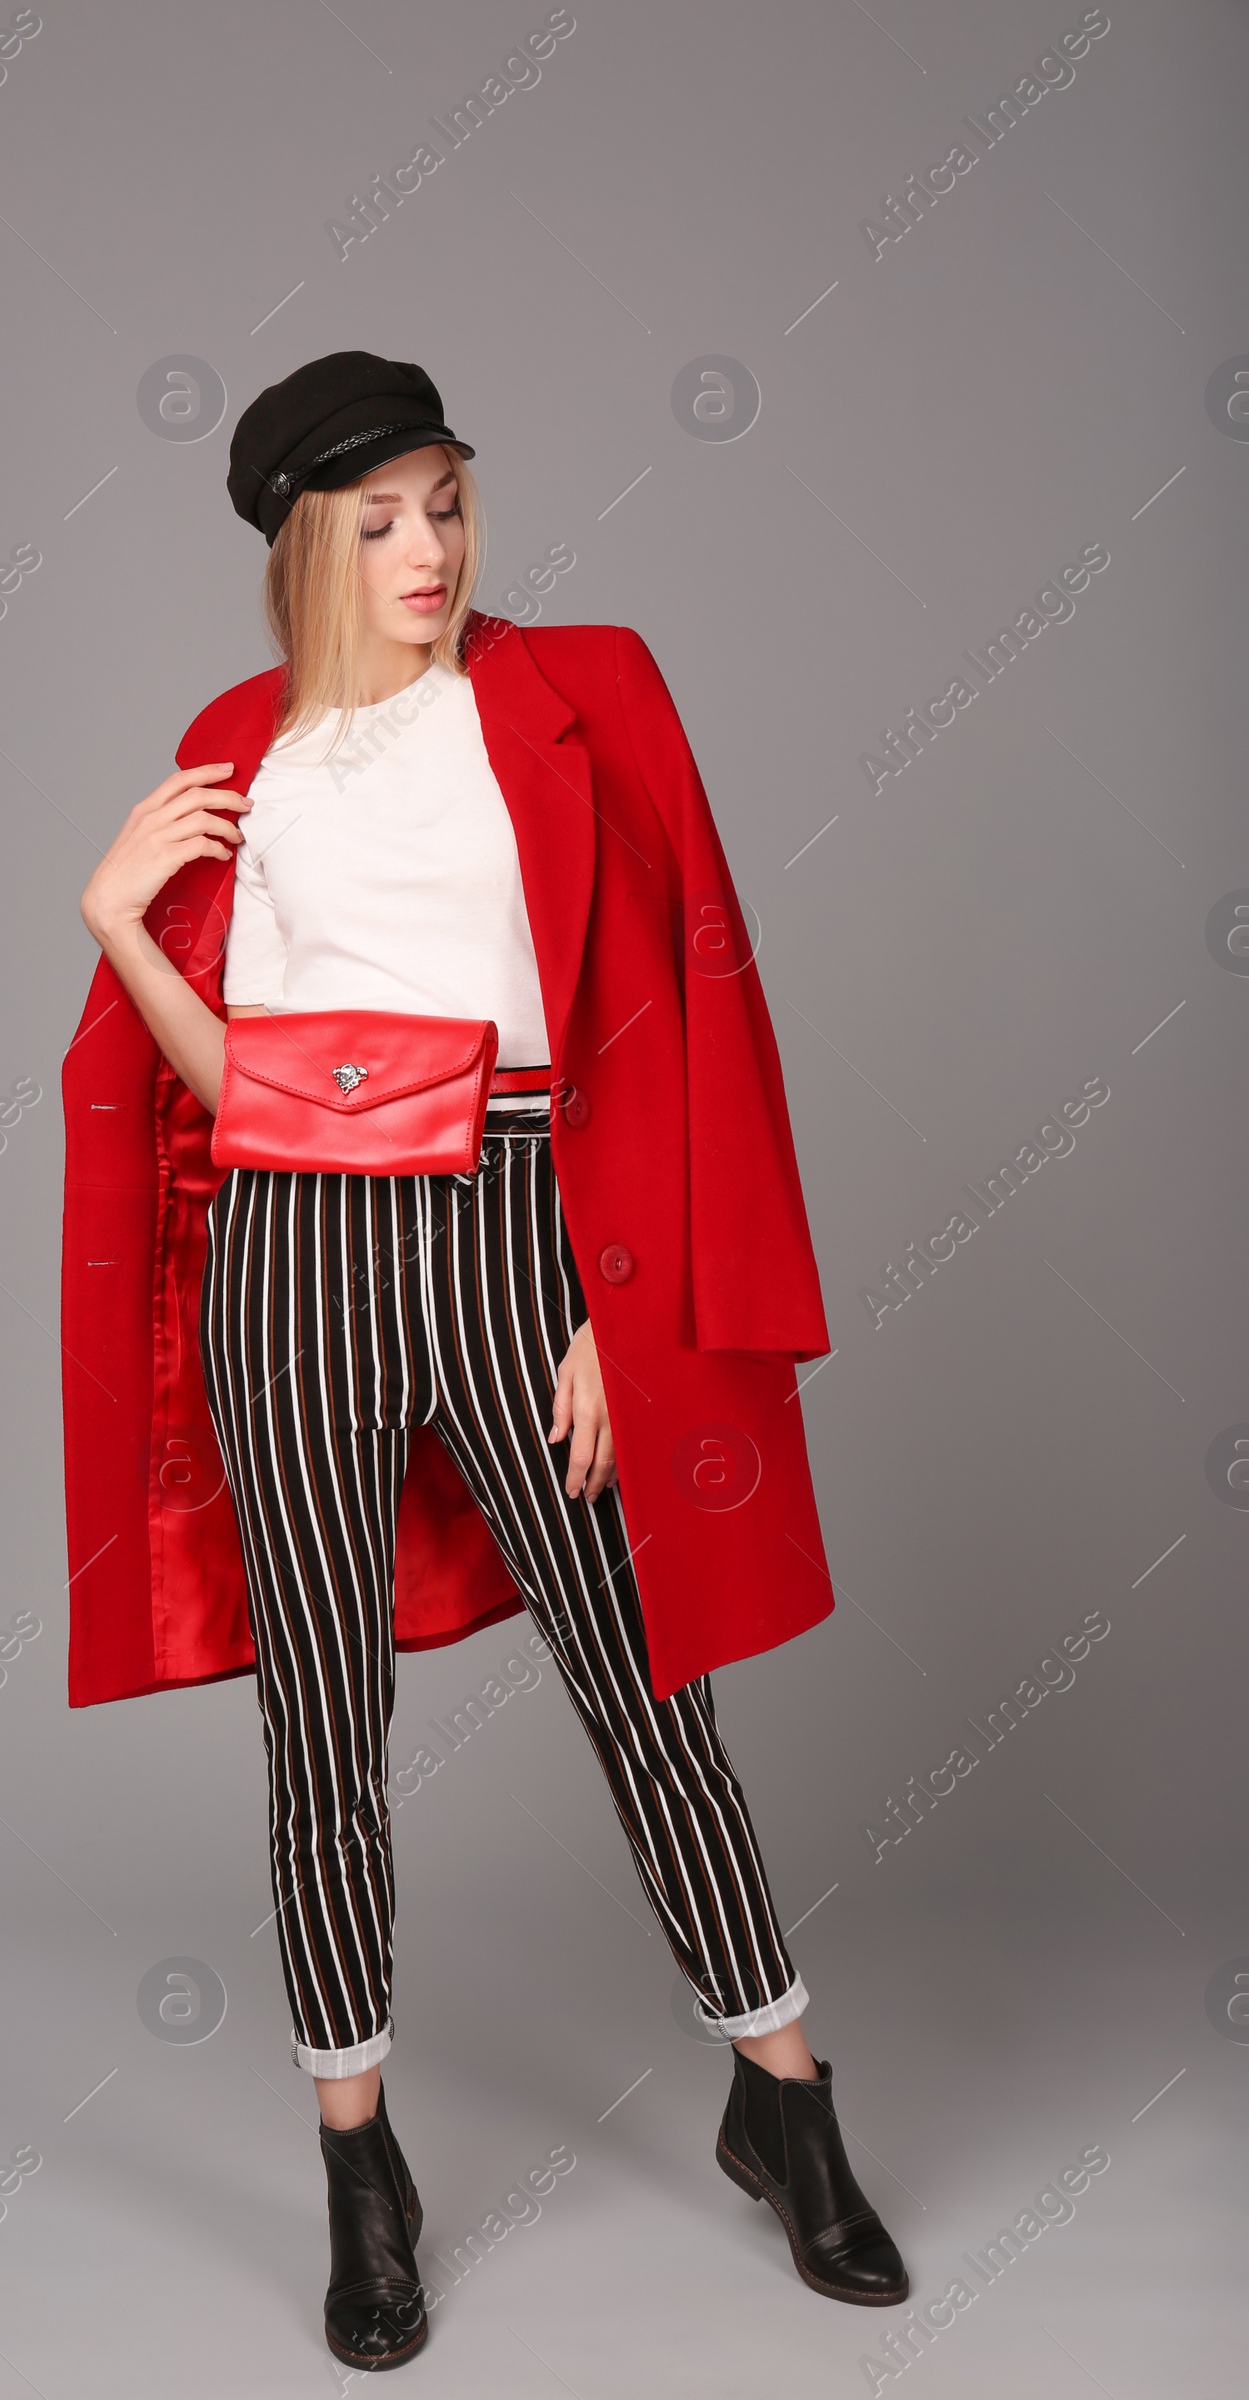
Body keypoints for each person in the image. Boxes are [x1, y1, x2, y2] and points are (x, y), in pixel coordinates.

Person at [63, 350, 908, 2371]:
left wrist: (627, 1314)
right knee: (321, 1727)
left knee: (640, 1680)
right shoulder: (228, 752)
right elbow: (244, 1087)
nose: (428, 549)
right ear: (302, 546)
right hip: (299, 1244)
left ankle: (781, 2102)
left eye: (446, 501)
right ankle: (363, 2171)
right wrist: (118, 922)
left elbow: (679, 1007)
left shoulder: (582, 688)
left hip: (531, 1222)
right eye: (380, 523)